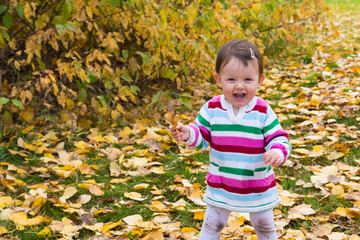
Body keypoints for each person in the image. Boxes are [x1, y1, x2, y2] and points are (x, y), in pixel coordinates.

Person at [170, 39, 291, 240]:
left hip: (256, 184)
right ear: (219, 79)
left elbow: (278, 137)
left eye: (248, 80)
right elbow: (202, 137)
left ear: (260, 80)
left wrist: (277, 150)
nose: (239, 86)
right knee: (212, 223)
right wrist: (189, 134)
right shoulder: (212, 108)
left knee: (264, 226)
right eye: (232, 79)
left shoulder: (262, 111)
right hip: (222, 183)